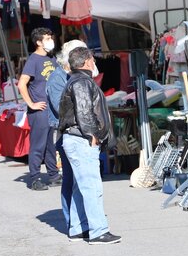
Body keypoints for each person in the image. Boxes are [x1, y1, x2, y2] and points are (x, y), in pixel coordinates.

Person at [57, 46, 120, 244]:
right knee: (91, 186)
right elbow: (84, 112)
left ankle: (78, 228)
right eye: (92, 60)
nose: (94, 63)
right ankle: (98, 231)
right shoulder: (82, 82)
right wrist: (93, 135)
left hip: (76, 138)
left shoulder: (77, 80)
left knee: (80, 185)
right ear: (86, 62)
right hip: (81, 139)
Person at [48, 40, 88, 228]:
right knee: (71, 179)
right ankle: (73, 221)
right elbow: (60, 109)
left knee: (80, 180)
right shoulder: (58, 78)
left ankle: (81, 219)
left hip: (79, 132)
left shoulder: (76, 76)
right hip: (68, 134)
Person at [18, 28, 61, 191]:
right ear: (38, 42)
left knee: (50, 144)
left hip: (51, 109)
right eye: (47, 38)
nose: (51, 40)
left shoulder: (52, 58)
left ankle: (54, 175)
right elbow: (22, 83)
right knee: (38, 145)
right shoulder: (33, 60)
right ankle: (35, 178)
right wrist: (31, 104)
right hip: (39, 110)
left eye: (51, 37)